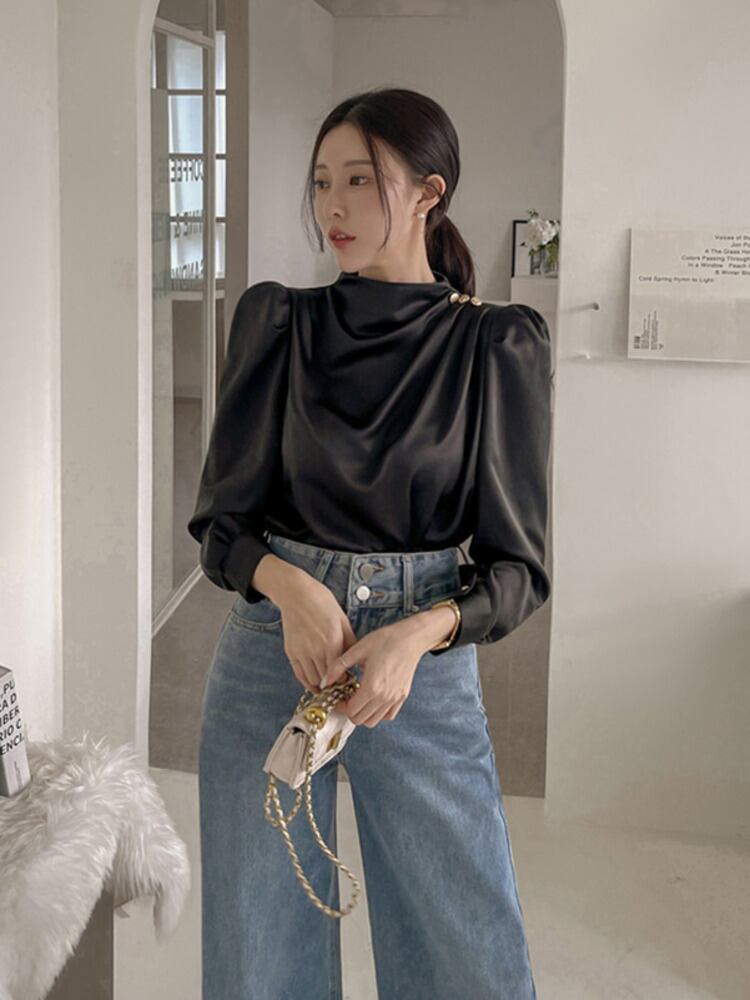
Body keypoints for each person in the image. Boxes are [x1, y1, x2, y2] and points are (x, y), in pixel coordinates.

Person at [188, 85, 551, 1000]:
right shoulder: (278, 320)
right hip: (272, 650)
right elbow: (222, 524)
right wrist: (293, 590)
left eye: (360, 179)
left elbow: (519, 568)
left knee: (465, 945)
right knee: (258, 946)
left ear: (429, 192)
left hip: (417, 666)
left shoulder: (493, 344)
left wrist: (415, 635)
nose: (333, 206)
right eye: (322, 182)